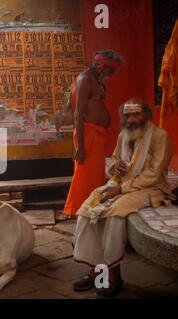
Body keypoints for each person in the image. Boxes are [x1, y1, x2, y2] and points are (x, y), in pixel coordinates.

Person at [72, 98, 176, 298]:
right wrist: (115, 167)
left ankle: (113, 275)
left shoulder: (160, 136)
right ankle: (96, 270)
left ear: (145, 114)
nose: (131, 119)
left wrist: (120, 190)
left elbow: (153, 175)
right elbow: (115, 160)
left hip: (151, 189)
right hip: (120, 183)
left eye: (136, 114)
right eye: (127, 115)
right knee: (89, 206)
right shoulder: (123, 136)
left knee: (114, 214)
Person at [63, 50, 125, 218]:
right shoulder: (85, 79)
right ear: (103, 65)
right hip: (87, 135)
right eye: (111, 70)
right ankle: (77, 211)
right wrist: (81, 147)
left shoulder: (96, 80)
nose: (112, 74)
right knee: (84, 176)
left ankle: (90, 208)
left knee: (95, 175)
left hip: (97, 134)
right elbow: (78, 113)